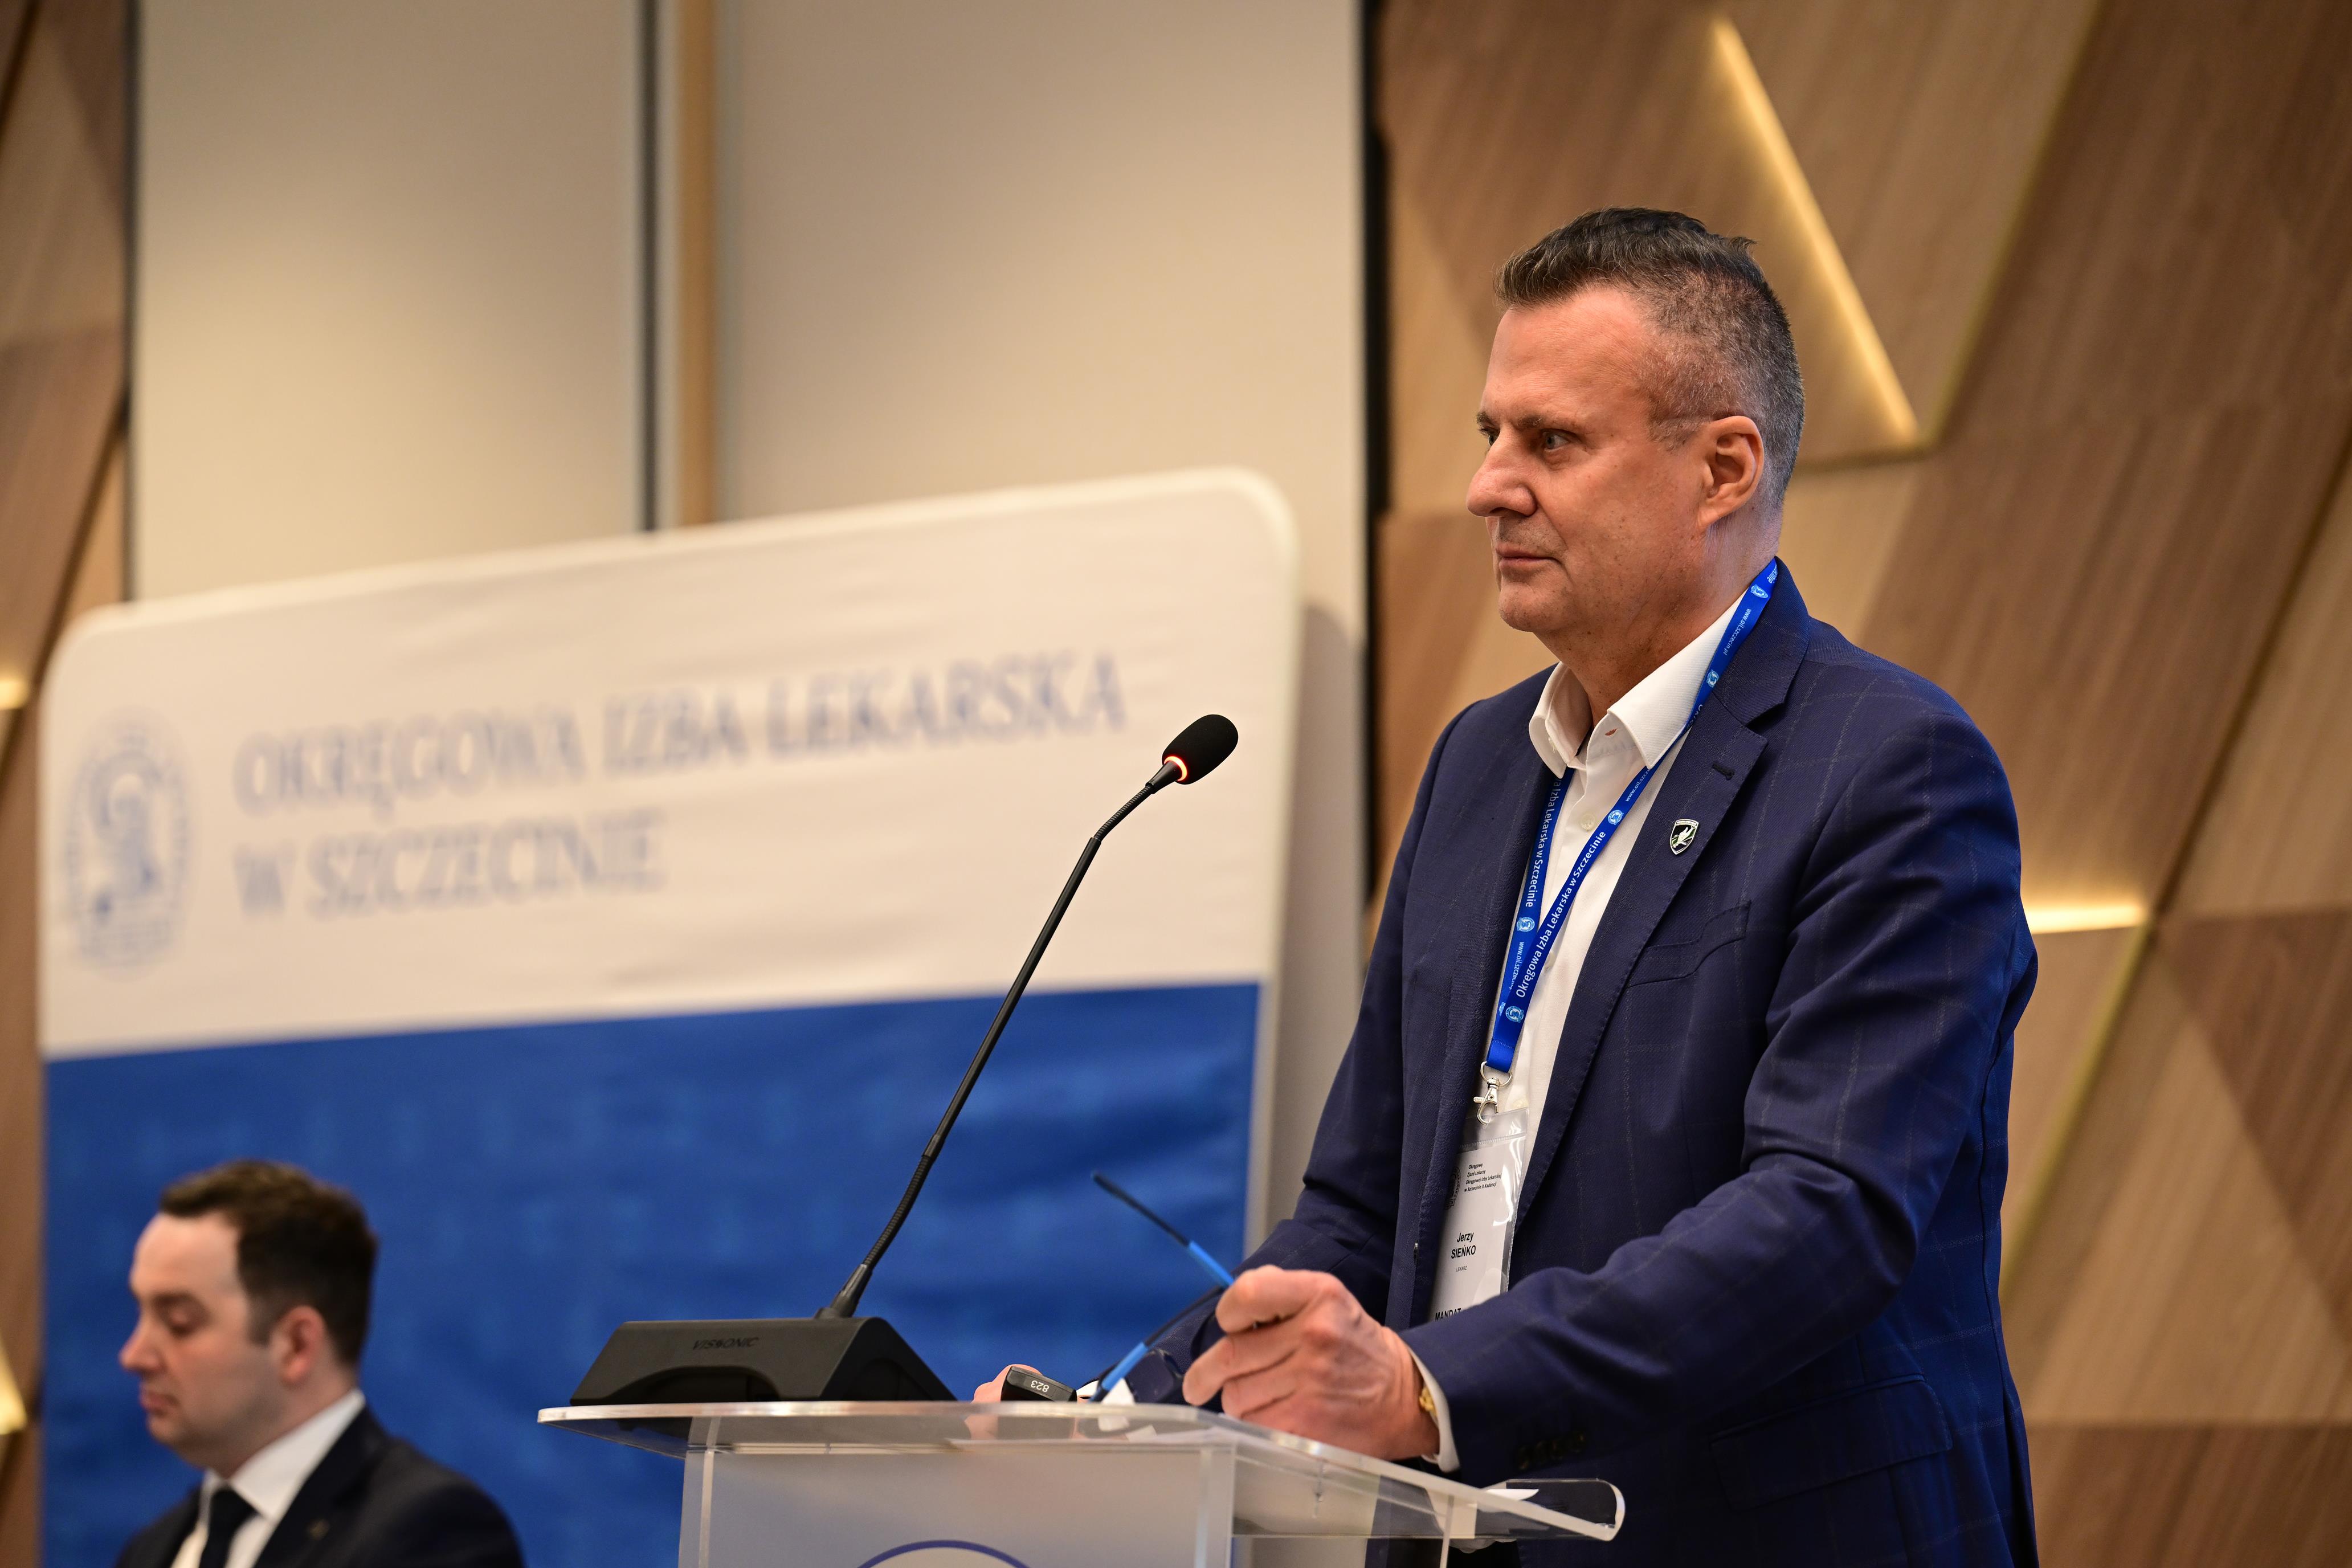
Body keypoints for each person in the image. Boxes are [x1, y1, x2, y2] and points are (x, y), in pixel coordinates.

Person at [985, 208, 2037, 1565]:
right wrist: (1120, 1414)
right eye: (1491, 433)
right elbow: (1361, 1208)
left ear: (1721, 469)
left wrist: (1432, 1389)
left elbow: (1820, 1216)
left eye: (1551, 441)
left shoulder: (1889, 768)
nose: (1488, 485)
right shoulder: (1480, 766)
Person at [115, 1161, 525, 1568]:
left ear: (296, 1345)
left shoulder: (434, 1533)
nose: (134, 1356)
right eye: (140, 1314)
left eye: (179, 1323)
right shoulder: (152, 1549)